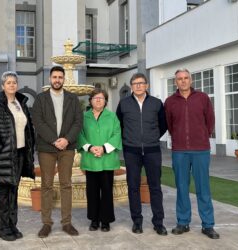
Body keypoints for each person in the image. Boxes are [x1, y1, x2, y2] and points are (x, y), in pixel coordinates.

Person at [165, 68, 219, 239]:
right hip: (180, 151)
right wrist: (180, 138)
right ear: (176, 82)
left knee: (203, 188)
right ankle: (183, 222)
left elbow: (210, 121)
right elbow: (169, 124)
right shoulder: (170, 101)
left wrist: (202, 136)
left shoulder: (202, 98)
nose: (183, 81)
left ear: (191, 80)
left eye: (186, 78)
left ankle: (208, 225)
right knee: (181, 188)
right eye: (179, 79)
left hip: (200, 150)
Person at [31, 66, 83, 238]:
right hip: (47, 148)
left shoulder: (73, 98)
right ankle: (46, 223)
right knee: (46, 184)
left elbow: (78, 121)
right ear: (50, 79)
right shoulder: (40, 99)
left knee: (66, 184)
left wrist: (66, 139)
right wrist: (54, 140)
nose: (57, 80)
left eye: (60, 77)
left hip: (67, 147)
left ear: (64, 79)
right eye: (55, 77)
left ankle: (67, 223)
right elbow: (38, 122)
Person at [0, 71, 35, 241]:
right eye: (8, 83)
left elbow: (28, 129)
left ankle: (13, 225)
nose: (12, 85)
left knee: (14, 192)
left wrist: (29, 148)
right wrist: (0, 149)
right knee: (3, 194)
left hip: (20, 154)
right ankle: (3, 228)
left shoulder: (21, 105)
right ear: (2, 86)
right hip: (4, 157)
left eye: (14, 82)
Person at [116, 73, 168, 236]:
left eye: (141, 83)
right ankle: (137, 222)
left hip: (152, 150)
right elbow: (119, 125)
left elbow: (163, 124)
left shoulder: (156, 103)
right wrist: (129, 139)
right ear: (131, 86)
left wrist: (151, 137)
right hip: (131, 151)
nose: (138, 86)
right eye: (135, 83)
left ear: (147, 85)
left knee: (155, 187)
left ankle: (158, 223)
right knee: (133, 187)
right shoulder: (123, 104)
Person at [77, 88, 122, 232]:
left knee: (107, 191)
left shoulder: (112, 116)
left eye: (101, 98)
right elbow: (79, 134)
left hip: (107, 160)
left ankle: (106, 221)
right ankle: (94, 220)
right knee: (92, 192)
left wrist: (103, 148)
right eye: (95, 97)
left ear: (105, 101)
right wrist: (90, 147)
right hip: (90, 160)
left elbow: (117, 134)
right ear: (90, 100)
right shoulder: (83, 117)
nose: (98, 100)